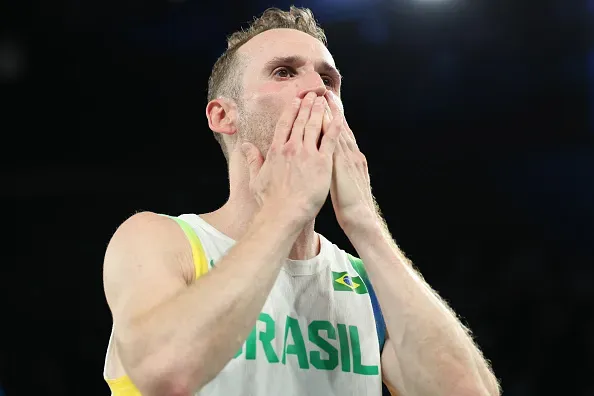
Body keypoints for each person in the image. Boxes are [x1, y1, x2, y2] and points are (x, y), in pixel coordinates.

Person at [102, 6, 500, 396]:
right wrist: (284, 211)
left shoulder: (365, 281)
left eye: (328, 79)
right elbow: (166, 373)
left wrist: (366, 224)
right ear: (223, 115)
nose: (316, 89)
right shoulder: (160, 239)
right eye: (284, 72)